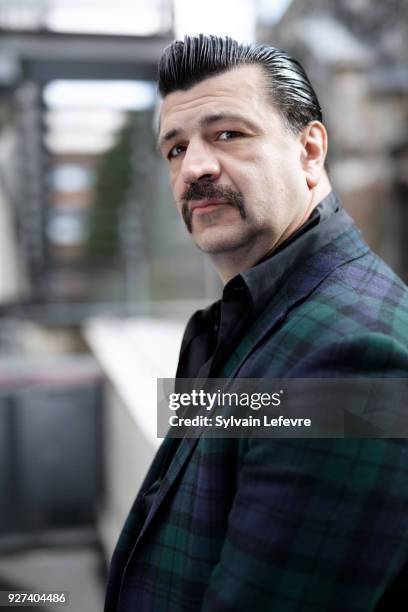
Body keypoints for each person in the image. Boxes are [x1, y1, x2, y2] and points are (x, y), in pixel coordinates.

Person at [105, 35, 408, 611]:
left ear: (310, 150)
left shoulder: (353, 355)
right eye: (175, 148)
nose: (194, 166)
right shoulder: (248, 315)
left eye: (228, 134)